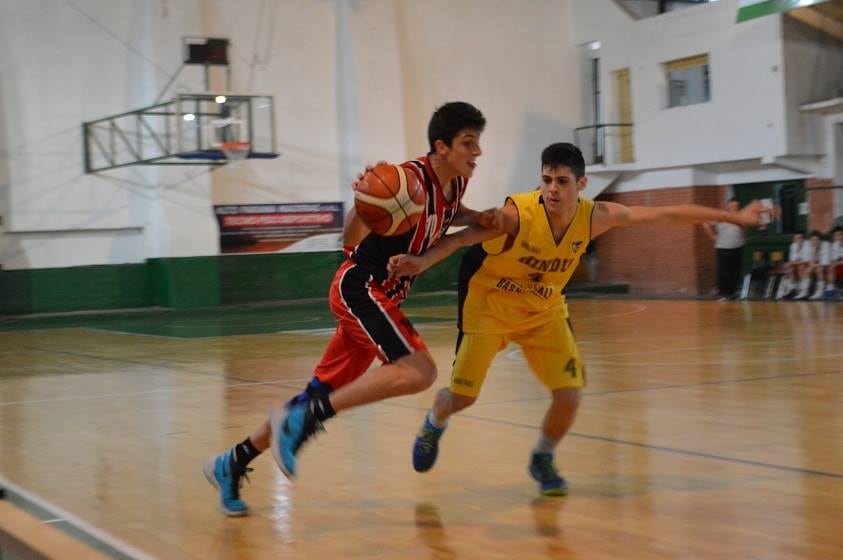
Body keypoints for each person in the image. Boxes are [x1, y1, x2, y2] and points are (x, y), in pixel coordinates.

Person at [388, 142, 773, 496]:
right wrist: (419, 262)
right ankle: (434, 422)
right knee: (464, 397)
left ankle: (542, 457)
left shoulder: (597, 217)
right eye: (546, 180)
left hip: (544, 310)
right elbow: (458, 238)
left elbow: (667, 213)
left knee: (569, 395)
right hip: (491, 307)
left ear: (582, 184)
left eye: (561, 181)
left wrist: (732, 218)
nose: (552, 188)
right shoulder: (518, 214)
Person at [203, 101, 500, 516]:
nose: (477, 152)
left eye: (477, 143)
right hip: (360, 287)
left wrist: (476, 216)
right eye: (469, 143)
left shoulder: (454, 187)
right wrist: (361, 205)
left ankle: (231, 462)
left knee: (318, 393)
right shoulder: (405, 179)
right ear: (441, 146)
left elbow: (445, 215)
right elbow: (356, 228)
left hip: (383, 298)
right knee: (419, 371)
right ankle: (305, 422)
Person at [703, 198, 746, 301]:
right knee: (723, 271)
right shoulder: (720, 215)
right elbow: (705, 223)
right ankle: (722, 293)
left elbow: (745, 228)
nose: (734, 208)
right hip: (723, 247)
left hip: (737, 246)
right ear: (728, 206)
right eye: (732, 206)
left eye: (736, 206)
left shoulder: (741, 216)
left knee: (735, 270)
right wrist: (713, 236)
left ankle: (733, 293)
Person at [779, 232, 807, 300]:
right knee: (791, 268)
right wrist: (790, 264)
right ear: (794, 240)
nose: (798, 240)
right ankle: (793, 290)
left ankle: (803, 290)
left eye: (800, 238)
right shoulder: (793, 246)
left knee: (801, 267)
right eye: (796, 238)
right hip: (797, 264)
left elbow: (806, 260)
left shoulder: (807, 245)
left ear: (803, 239)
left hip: (807, 265)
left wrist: (791, 263)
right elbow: (793, 260)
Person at [803, 230, 830, 300]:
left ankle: (820, 291)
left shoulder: (826, 245)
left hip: (827, 267)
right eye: (812, 240)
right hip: (816, 266)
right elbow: (809, 262)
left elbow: (825, 263)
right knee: (807, 270)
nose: (814, 242)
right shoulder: (809, 245)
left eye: (816, 240)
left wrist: (813, 266)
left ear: (820, 240)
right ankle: (805, 291)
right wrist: (814, 250)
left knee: (819, 269)